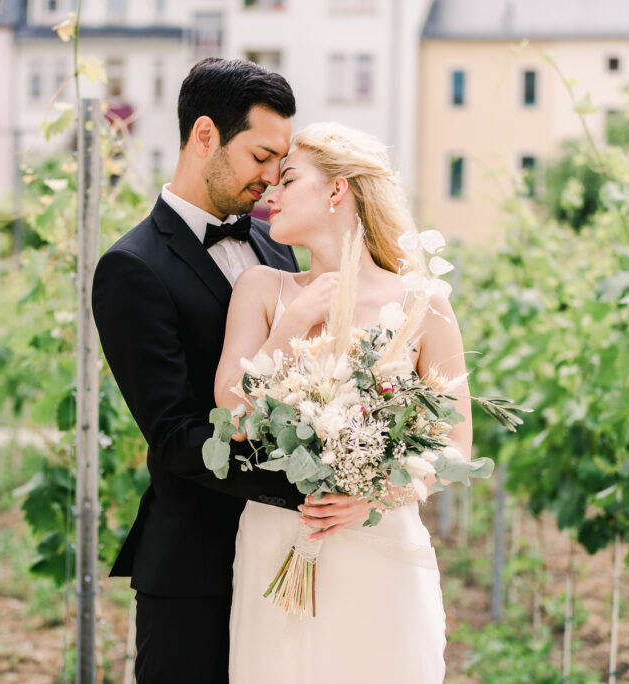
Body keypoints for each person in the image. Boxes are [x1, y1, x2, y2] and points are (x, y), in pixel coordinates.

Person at [92, 59, 374, 684]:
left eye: (283, 163)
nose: (273, 178)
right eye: (262, 155)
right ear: (204, 137)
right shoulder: (131, 268)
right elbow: (176, 436)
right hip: (197, 568)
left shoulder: (276, 243)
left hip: (292, 556)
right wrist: (311, 485)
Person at [215, 122, 470, 683]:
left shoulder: (425, 304)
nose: (270, 194)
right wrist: (297, 319)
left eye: (287, 178)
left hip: (380, 544)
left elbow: (457, 444)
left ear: (337, 190)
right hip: (277, 540)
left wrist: (372, 497)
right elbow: (233, 413)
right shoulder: (261, 288)